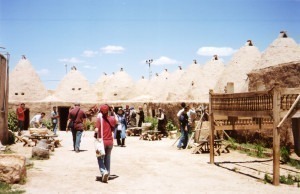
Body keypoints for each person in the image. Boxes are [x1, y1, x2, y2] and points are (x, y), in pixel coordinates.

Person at [95, 104, 117, 183]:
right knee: (108, 158)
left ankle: (104, 172)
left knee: (99, 157)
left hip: (102, 142)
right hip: (110, 142)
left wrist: (95, 136)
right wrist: (113, 112)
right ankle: (107, 173)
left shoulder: (99, 119)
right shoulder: (111, 119)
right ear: (108, 111)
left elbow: (96, 130)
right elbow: (117, 121)